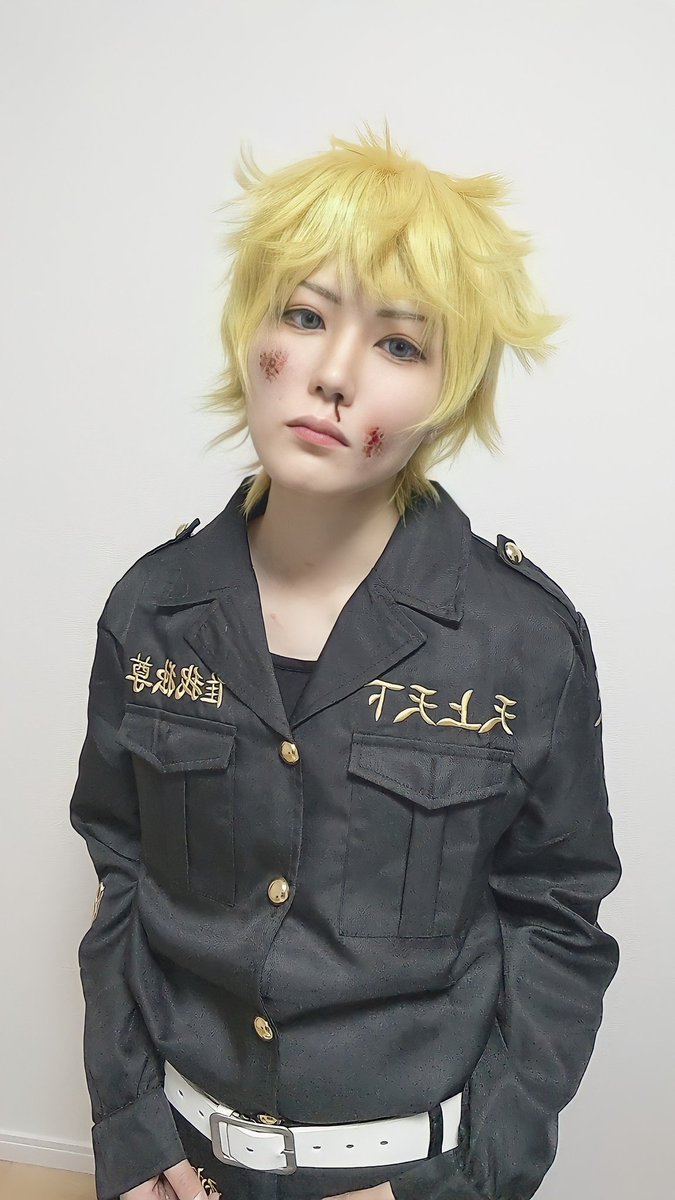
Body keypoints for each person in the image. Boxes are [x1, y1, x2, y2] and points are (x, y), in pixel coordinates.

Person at [69, 124, 622, 1200]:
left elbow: (557, 922)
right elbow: (119, 870)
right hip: (178, 1168)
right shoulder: (150, 611)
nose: (331, 373)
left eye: (399, 346)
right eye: (304, 315)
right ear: (249, 333)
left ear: (451, 390)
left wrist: (468, 1183)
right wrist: (128, 1131)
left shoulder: (521, 643)